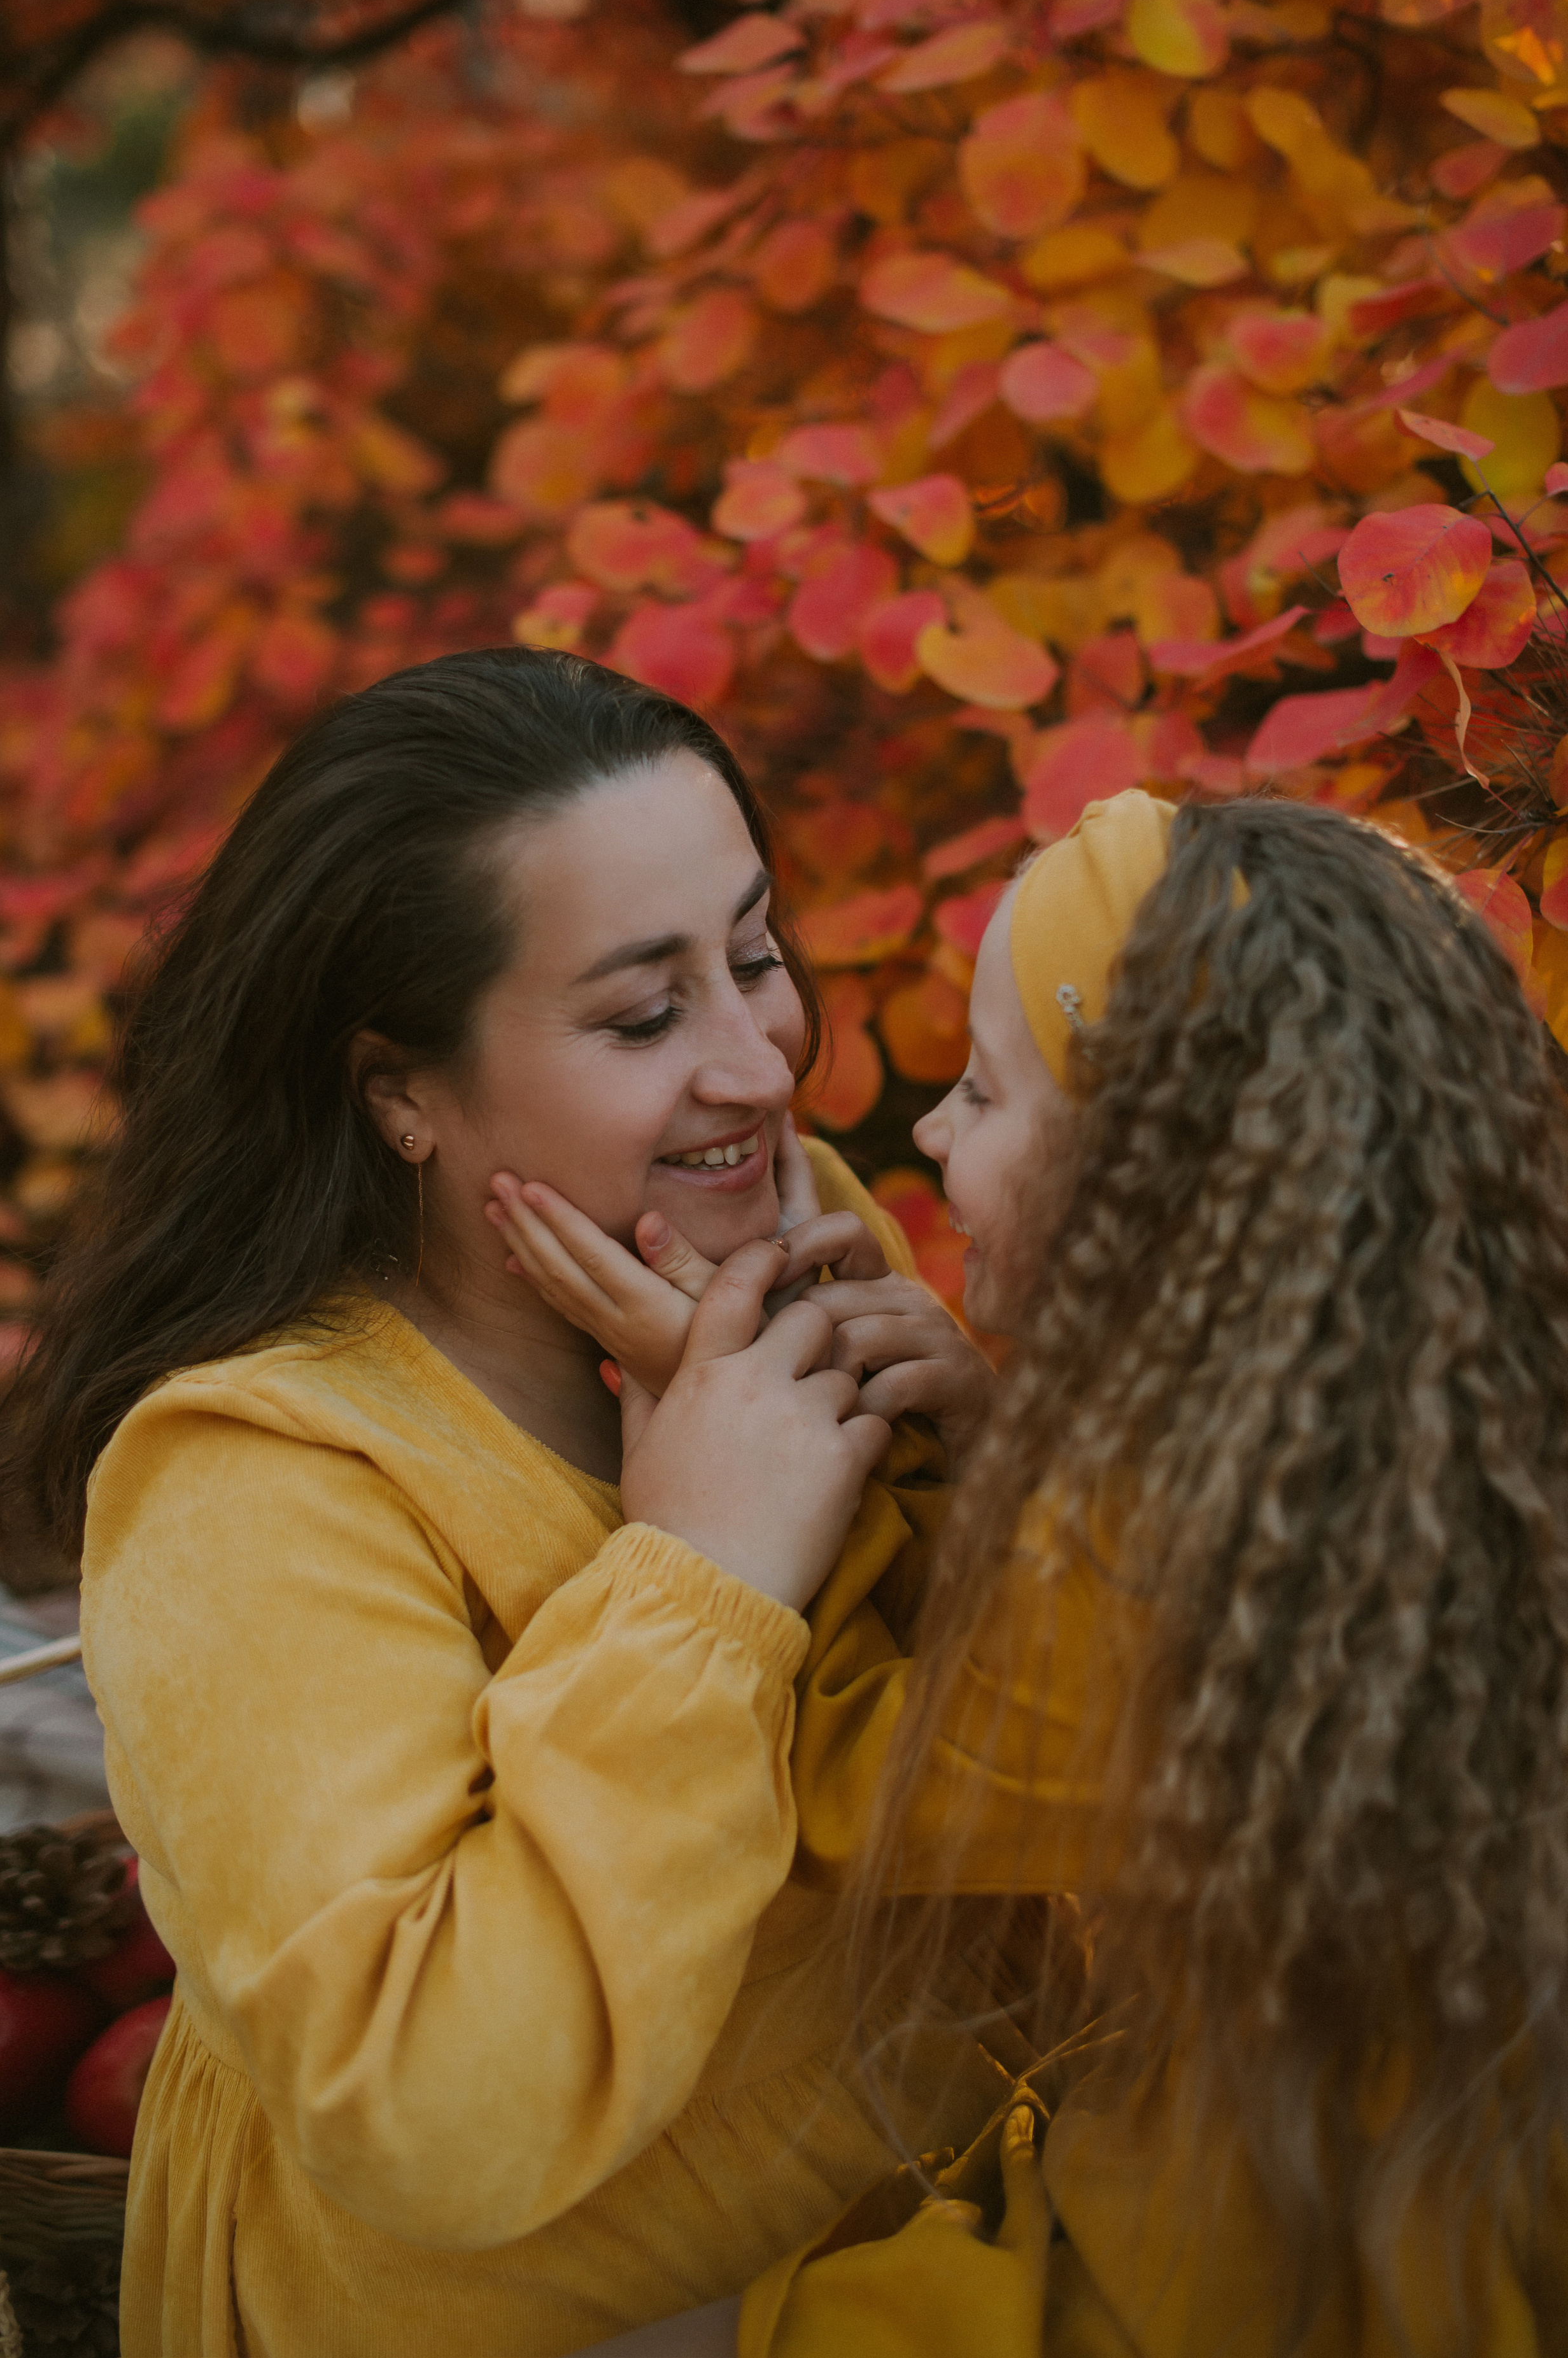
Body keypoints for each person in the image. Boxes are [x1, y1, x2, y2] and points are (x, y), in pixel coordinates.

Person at [0, 649, 1016, 2358]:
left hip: (934, 2240)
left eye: (755, 956)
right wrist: (703, 1570)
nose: (760, 1067)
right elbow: (430, 2113)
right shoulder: (253, 1481)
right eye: (642, 1016)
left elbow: (990, 1774)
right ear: (400, 1087)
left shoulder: (782, 1230)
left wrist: (986, 1470)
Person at [565, 791, 1568, 2357]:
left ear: (1137, 1174)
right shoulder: (1400, 1442)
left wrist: (732, 1444)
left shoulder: (1159, 1555)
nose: (926, 1135)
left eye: (978, 1091)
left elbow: (851, 1797)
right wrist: (989, 1434)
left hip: (1242, 2279)